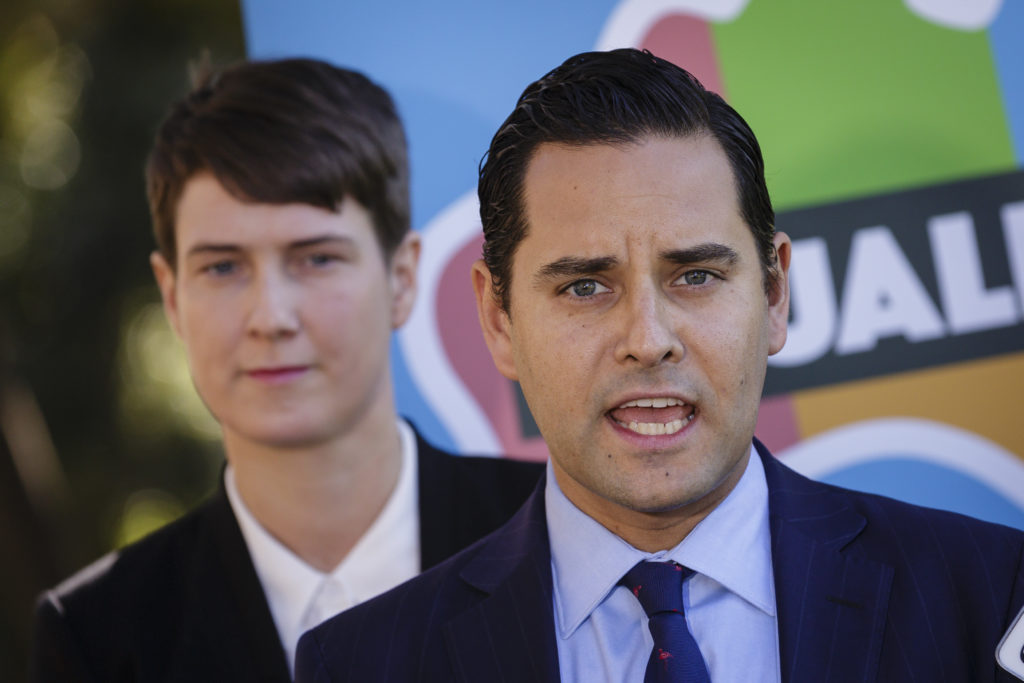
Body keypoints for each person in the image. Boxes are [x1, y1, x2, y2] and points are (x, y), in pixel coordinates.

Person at [294, 48, 1024, 682]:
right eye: (585, 285)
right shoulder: (362, 665)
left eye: (696, 275)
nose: (648, 339)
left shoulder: (992, 596)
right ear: (497, 318)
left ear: (774, 293)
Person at [29, 58, 542, 682]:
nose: (270, 317)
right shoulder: (95, 634)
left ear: (402, 277)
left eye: (317, 259)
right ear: (171, 297)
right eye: (222, 267)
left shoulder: (559, 537)